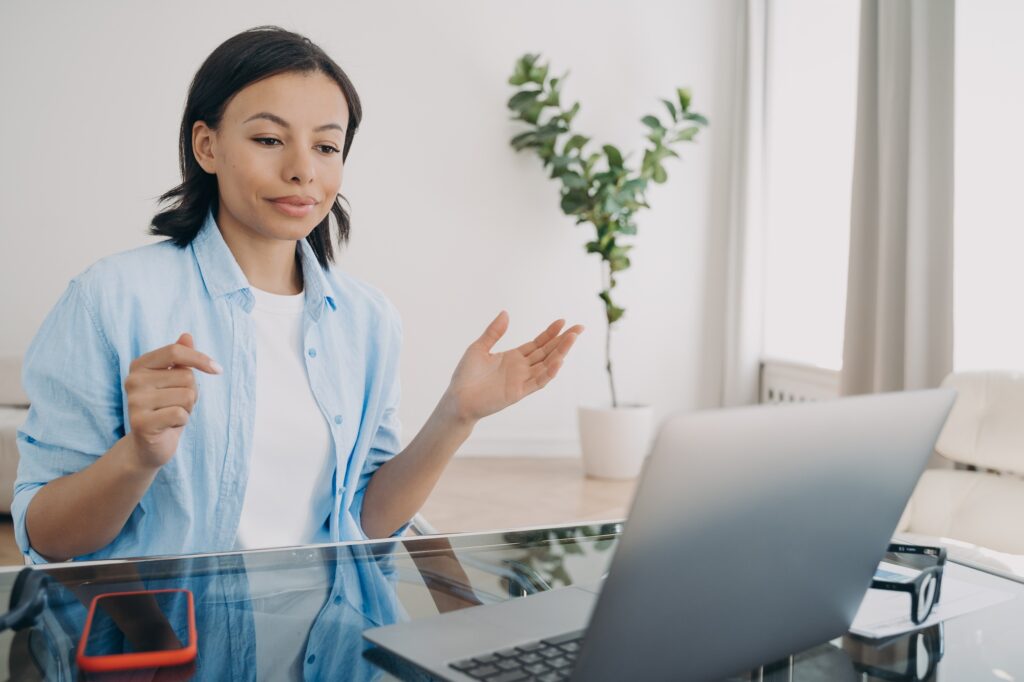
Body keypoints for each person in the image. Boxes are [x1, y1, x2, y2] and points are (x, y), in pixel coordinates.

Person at [12, 26, 582, 565]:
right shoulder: (110, 299)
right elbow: (47, 538)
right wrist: (136, 457)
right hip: (172, 651)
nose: (303, 171)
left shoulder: (366, 318)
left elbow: (368, 521)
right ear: (207, 147)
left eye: (327, 147)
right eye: (268, 139)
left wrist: (457, 416)